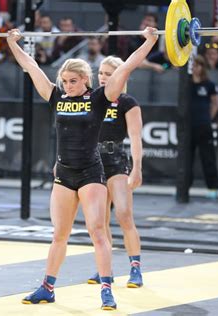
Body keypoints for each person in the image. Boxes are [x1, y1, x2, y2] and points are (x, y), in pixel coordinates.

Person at [6, 26, 158, 310]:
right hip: (63, 175)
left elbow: (126, 68)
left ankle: (106, 289)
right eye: (64, 81)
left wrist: (149, 41)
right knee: (59, 235)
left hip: (91, 174)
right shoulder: (57, 98)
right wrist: (14, 44)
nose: (67, 86)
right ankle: (47, 287)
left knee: (98, 232)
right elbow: (30, 66)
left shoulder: (100, 98)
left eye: (73, 81)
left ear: (86, 80)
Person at [86, 56, 144, 288]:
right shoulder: (90, 99)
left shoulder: (127, 102)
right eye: (101, 72)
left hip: (117, 161)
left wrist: (137, 168)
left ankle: (135, 269)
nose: (103, 77)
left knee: (124, 214)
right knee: (100, 221)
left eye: (109, 74)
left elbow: (136, 137)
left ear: (120, 76)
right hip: (93, 162)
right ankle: (105, 269)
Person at [189, 55, 218, 199]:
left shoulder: (209, 85)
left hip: (203, 126)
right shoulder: (186, 84)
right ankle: (183, 188)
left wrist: (208, 118)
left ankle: (213, 188)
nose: (194, 68)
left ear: (202, 67)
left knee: (208, 158)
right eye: (193, 66)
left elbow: (216, 103)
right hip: (188, 127)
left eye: (197, 65)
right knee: (186, 159)